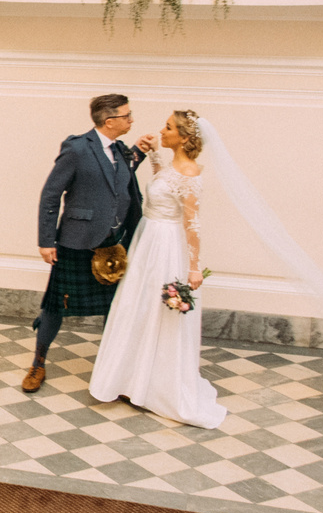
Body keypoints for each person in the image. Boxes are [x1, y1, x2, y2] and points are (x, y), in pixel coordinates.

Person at [89, 109, 227, 427]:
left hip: (165, 245)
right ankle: (128, 378)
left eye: (168, 128)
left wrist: (194, 269)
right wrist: (153, 158)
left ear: (185, 137)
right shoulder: (175, 167)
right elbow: (166, 184)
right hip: (148, 239)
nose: (162, 131)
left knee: (157, 312)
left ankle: (154, 385)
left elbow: (192, 225)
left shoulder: (191, 173)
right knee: (137, 307)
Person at [25, 92, 146, 393]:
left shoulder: (120, 150)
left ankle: (111, 370)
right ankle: (38, 362)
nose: (132, 120)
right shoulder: (77, 148)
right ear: (110, 120)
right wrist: (46, 240)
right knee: (55, 307)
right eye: (127, 116)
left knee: (113, 308)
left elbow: (115, 183)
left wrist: (138, 155)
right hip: (76, 242)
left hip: (114, 243)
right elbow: (51, 195)